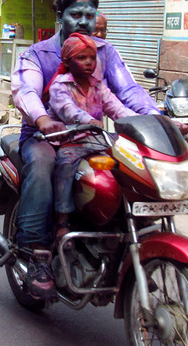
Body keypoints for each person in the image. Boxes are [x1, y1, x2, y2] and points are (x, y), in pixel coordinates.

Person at [11, 0, 159, 299]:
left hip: (90, 136)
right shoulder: (37, 53)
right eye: (75, 14)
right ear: (59, 16)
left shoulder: (105, 52)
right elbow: (26, 93)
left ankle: (124, 242)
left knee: (130, 167)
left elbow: (127, 92)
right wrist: (43, 120)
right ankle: (37, 255)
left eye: (89, 16)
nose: (83, 21)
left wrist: (156, 117)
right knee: (42, 166)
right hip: (46, 137)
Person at [47, 32, 136, 242]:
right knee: (65, 165)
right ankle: (62, 219)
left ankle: (124, 210)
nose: (89, 62)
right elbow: (67, 110)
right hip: (70, 140)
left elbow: (118, 109)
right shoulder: (60, 85)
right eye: (82, 58)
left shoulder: (97, 85)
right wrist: (88, 120)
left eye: (92, 58)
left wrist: (142, 121)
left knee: (130, 156)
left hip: (98, 139)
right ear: (68, 61)